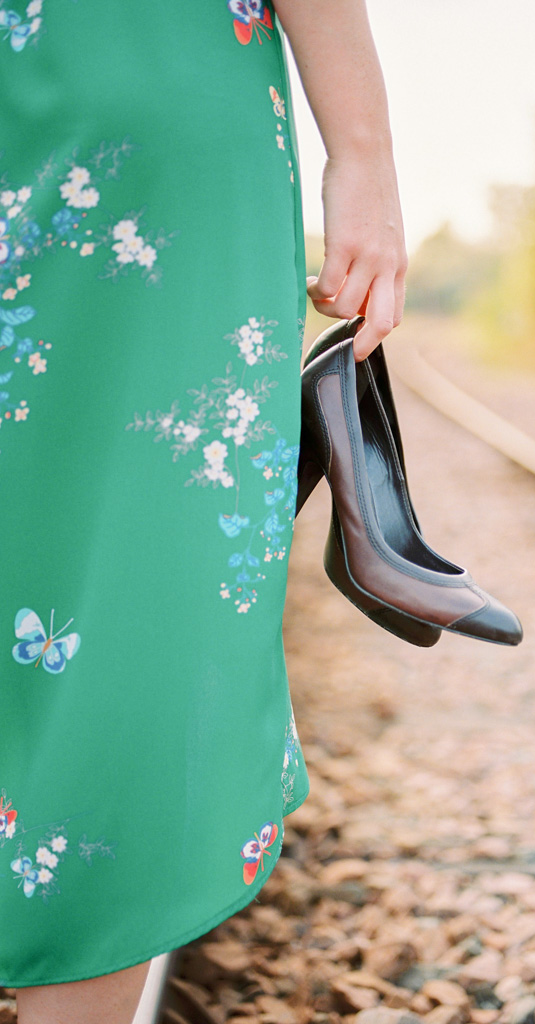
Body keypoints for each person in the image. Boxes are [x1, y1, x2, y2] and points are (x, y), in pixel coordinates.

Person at [0, 1, 406, 1021]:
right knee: (136, 603)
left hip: (137, 123)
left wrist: (363, 151)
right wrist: (360, 150)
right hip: (163, 120)